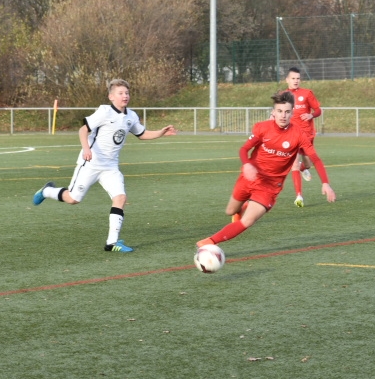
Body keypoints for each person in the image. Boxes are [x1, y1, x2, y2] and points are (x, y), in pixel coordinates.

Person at [32, 79, 177, 252]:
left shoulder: (131, 116)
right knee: (73, 199)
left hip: (110, 167)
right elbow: (83, 130)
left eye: (127, 93)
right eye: (121, 93)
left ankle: (112, 243)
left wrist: (161, 132)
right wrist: (86, 149)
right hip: (91, 163)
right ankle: (47, 191)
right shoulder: (104, 112)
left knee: (120, 198)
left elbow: (142, 134)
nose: (125, 96)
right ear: (111, 96)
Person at [196, 90, 335, 249]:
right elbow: (244, 149)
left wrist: (325, 183)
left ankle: (208, 242)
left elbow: (315, 159)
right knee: (230, 211)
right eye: (280, 111)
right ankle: (243, 207)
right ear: (273, 112)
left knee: (247, 221)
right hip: (249, 177)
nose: (283, 115)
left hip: (270, 187)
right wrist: (247, 164)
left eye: (287, 112)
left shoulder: (298, 135)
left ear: (292, 113)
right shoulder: (262, 128)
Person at [281, 67, 323, 207]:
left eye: (298, 78)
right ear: (287, 80)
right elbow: (279, 112)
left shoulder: (306, 94)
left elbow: (318, 110)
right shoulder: (283, 95)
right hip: (291, 134)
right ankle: (299, 196)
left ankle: (303, 168)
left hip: (307, 134)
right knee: (293, 164)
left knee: (308, 163)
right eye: (293, 78)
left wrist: (311, 115)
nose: (296, 81)